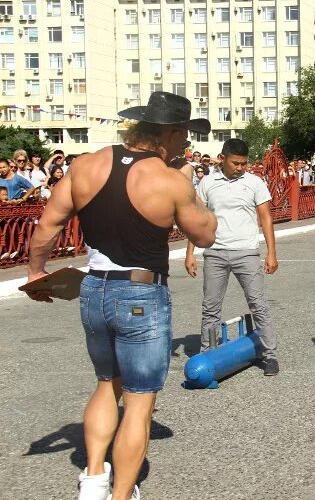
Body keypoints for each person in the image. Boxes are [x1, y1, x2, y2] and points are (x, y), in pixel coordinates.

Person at [23, 91, 217, 500]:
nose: (186, 145)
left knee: (105, 383)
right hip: (141, 293)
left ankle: (93, 478)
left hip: (93, 289)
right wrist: (190, 185)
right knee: (140, 400)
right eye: (184, 137)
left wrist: (37, 273)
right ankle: (122, 494)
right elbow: (206, 233)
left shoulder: (86, 164)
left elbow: (46, 227)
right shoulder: (169, 179)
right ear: (171, 133)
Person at [185, 138, 280, 376]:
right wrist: (190, 253)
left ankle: (270, 355)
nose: (240, 168)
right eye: (236, 163)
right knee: (210, 308)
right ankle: (208, 353)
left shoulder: (254, 183)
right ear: (222, 158)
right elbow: (198, 219)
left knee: (258, 305)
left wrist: (271, 253)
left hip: (246, 252)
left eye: (244, 163)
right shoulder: (207, 182)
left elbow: (265, 218)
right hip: (215, 253)